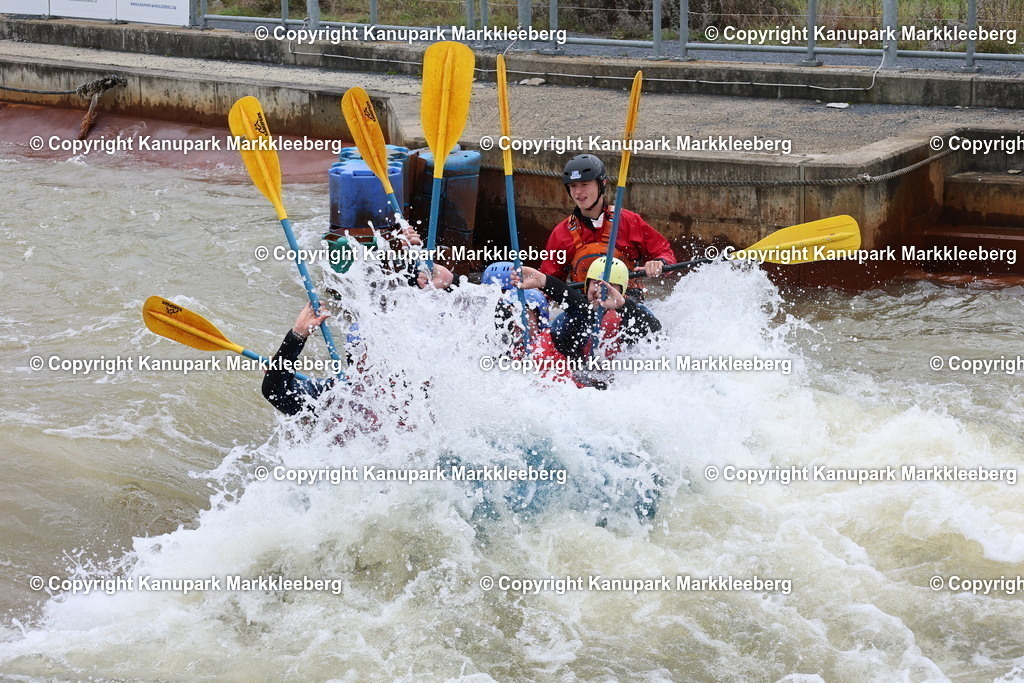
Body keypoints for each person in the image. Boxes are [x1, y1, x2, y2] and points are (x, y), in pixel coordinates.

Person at [540, 154, 676, 293]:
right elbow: (548, 281)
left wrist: (660, 263)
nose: (578, 192)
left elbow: (665, 253)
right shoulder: (562, 232)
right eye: (573, 186)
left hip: (626, 302)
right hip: (583, 306)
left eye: (584, 184)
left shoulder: (628, 221)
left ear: (602, 183)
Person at [516, 257, 662, 364]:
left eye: (611, 285)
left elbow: (657, 335)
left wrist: (623, 305)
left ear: (622, 291)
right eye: (595, 283)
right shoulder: (570, 315)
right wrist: (545, 282)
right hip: (574, 376)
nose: (601, 289)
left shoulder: (633, 312)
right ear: (586, 286)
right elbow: (584, 312)